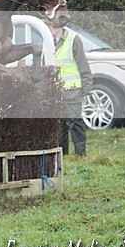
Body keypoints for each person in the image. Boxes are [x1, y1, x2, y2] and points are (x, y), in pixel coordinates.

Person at [47, 17, 93, 155]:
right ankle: (63, 154)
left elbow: (83, 65)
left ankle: (80, 153)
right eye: (49, 26)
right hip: (56, 92)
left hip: (72, 90)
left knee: (75, 123)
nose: (50, 30)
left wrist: (87, 88)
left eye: (52, 27)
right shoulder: (46, 41)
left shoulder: (73, 39)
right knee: (60, 125)